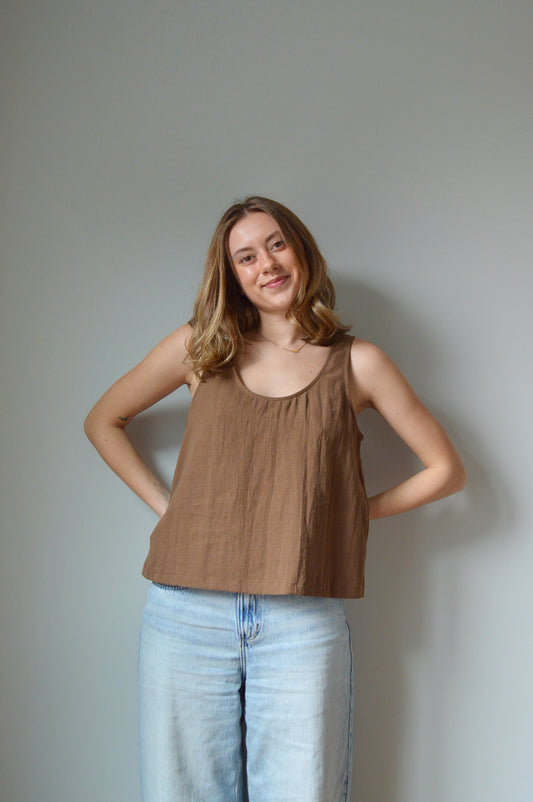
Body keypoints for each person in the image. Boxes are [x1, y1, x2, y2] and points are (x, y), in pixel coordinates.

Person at [84, 195, 466, 802]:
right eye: (246, 257)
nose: (266, 263)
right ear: (232, 276)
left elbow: (446, 470)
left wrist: (347, 515)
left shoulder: (359, 363)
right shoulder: (201, 349)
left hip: (301, 619)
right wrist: (169, 507)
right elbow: (103, 420)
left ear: (302, 250)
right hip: (186, 613)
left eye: (276, 244)